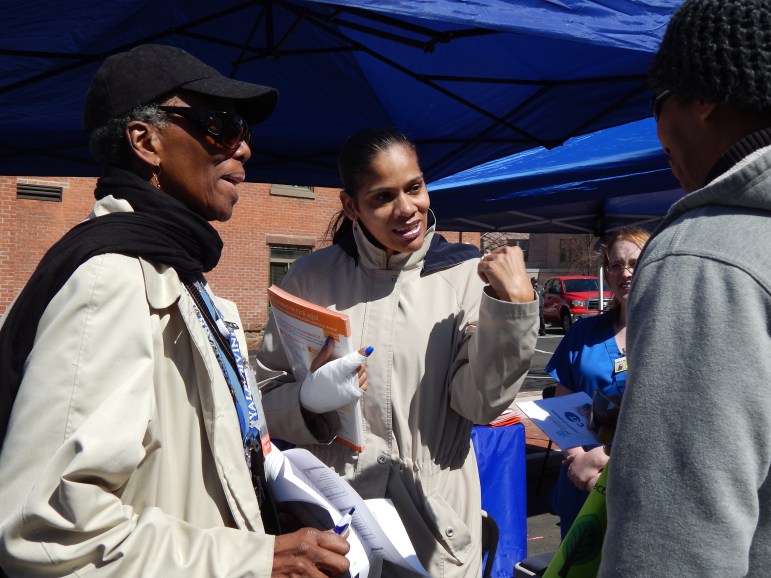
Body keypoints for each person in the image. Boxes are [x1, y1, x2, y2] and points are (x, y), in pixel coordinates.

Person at [0, 44, 351, 577]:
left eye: (246, 133)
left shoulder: (174, 271)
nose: (245, 149)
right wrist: (258, 560)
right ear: (146, 143)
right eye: (220, 126)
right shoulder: (112, 279)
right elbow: (48, 532)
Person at [255, 127, 538, 577]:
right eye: (383, 197)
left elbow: (480, 405)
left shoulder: (466, 275)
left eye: (414, 187)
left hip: (435, 521)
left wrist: (513, 313)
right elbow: (263, 396)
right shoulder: (309, 279)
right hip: (337, 519)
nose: (407, 208)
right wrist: (308, 402)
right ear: (351, 206)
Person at [599, 1, 771, 575]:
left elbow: (677, 535)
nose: (657, 131)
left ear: (704, 98)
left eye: (658, 102)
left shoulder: (704, 255)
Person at [544, 227, 650, 539]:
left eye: (634, 262)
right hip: (581, 479)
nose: (625, 273)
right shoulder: (584, 333)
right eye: (616, 265)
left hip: (640, 479)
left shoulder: (671, 334)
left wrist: (602, 459)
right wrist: (577, 457)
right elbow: (560, 407)